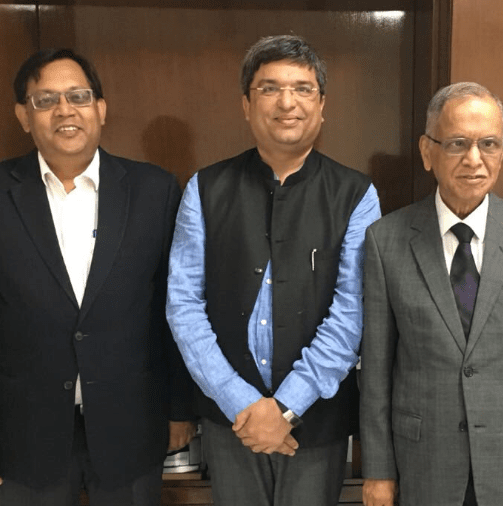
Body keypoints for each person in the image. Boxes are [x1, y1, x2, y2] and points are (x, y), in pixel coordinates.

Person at [0, 48, 195, 505]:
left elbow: (174, 310)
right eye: (46, 100)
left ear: (101, 108)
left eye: (78, 96)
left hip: (132, 425)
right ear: (23, 115)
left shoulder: (154, 190)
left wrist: (180, 409)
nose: (65, 110)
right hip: (24, 432)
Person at [166, 35, 381, 506]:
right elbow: (183, 305)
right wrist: (241, 403)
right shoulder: (205, 188)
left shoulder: (356, 194)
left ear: (322, 105)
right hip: (231, 421)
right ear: (246, 105)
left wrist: (285, 408)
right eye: (270, 88)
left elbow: (351, 316)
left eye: (303, 89)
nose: (287, 102)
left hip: (316, 420)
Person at [360, 82, 503, 506]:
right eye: (457, 143)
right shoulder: (386, 240)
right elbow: (377, 369)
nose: (474, 160)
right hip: (424, 462)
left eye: (489, 144)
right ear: (428, 151)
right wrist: (379, 470)